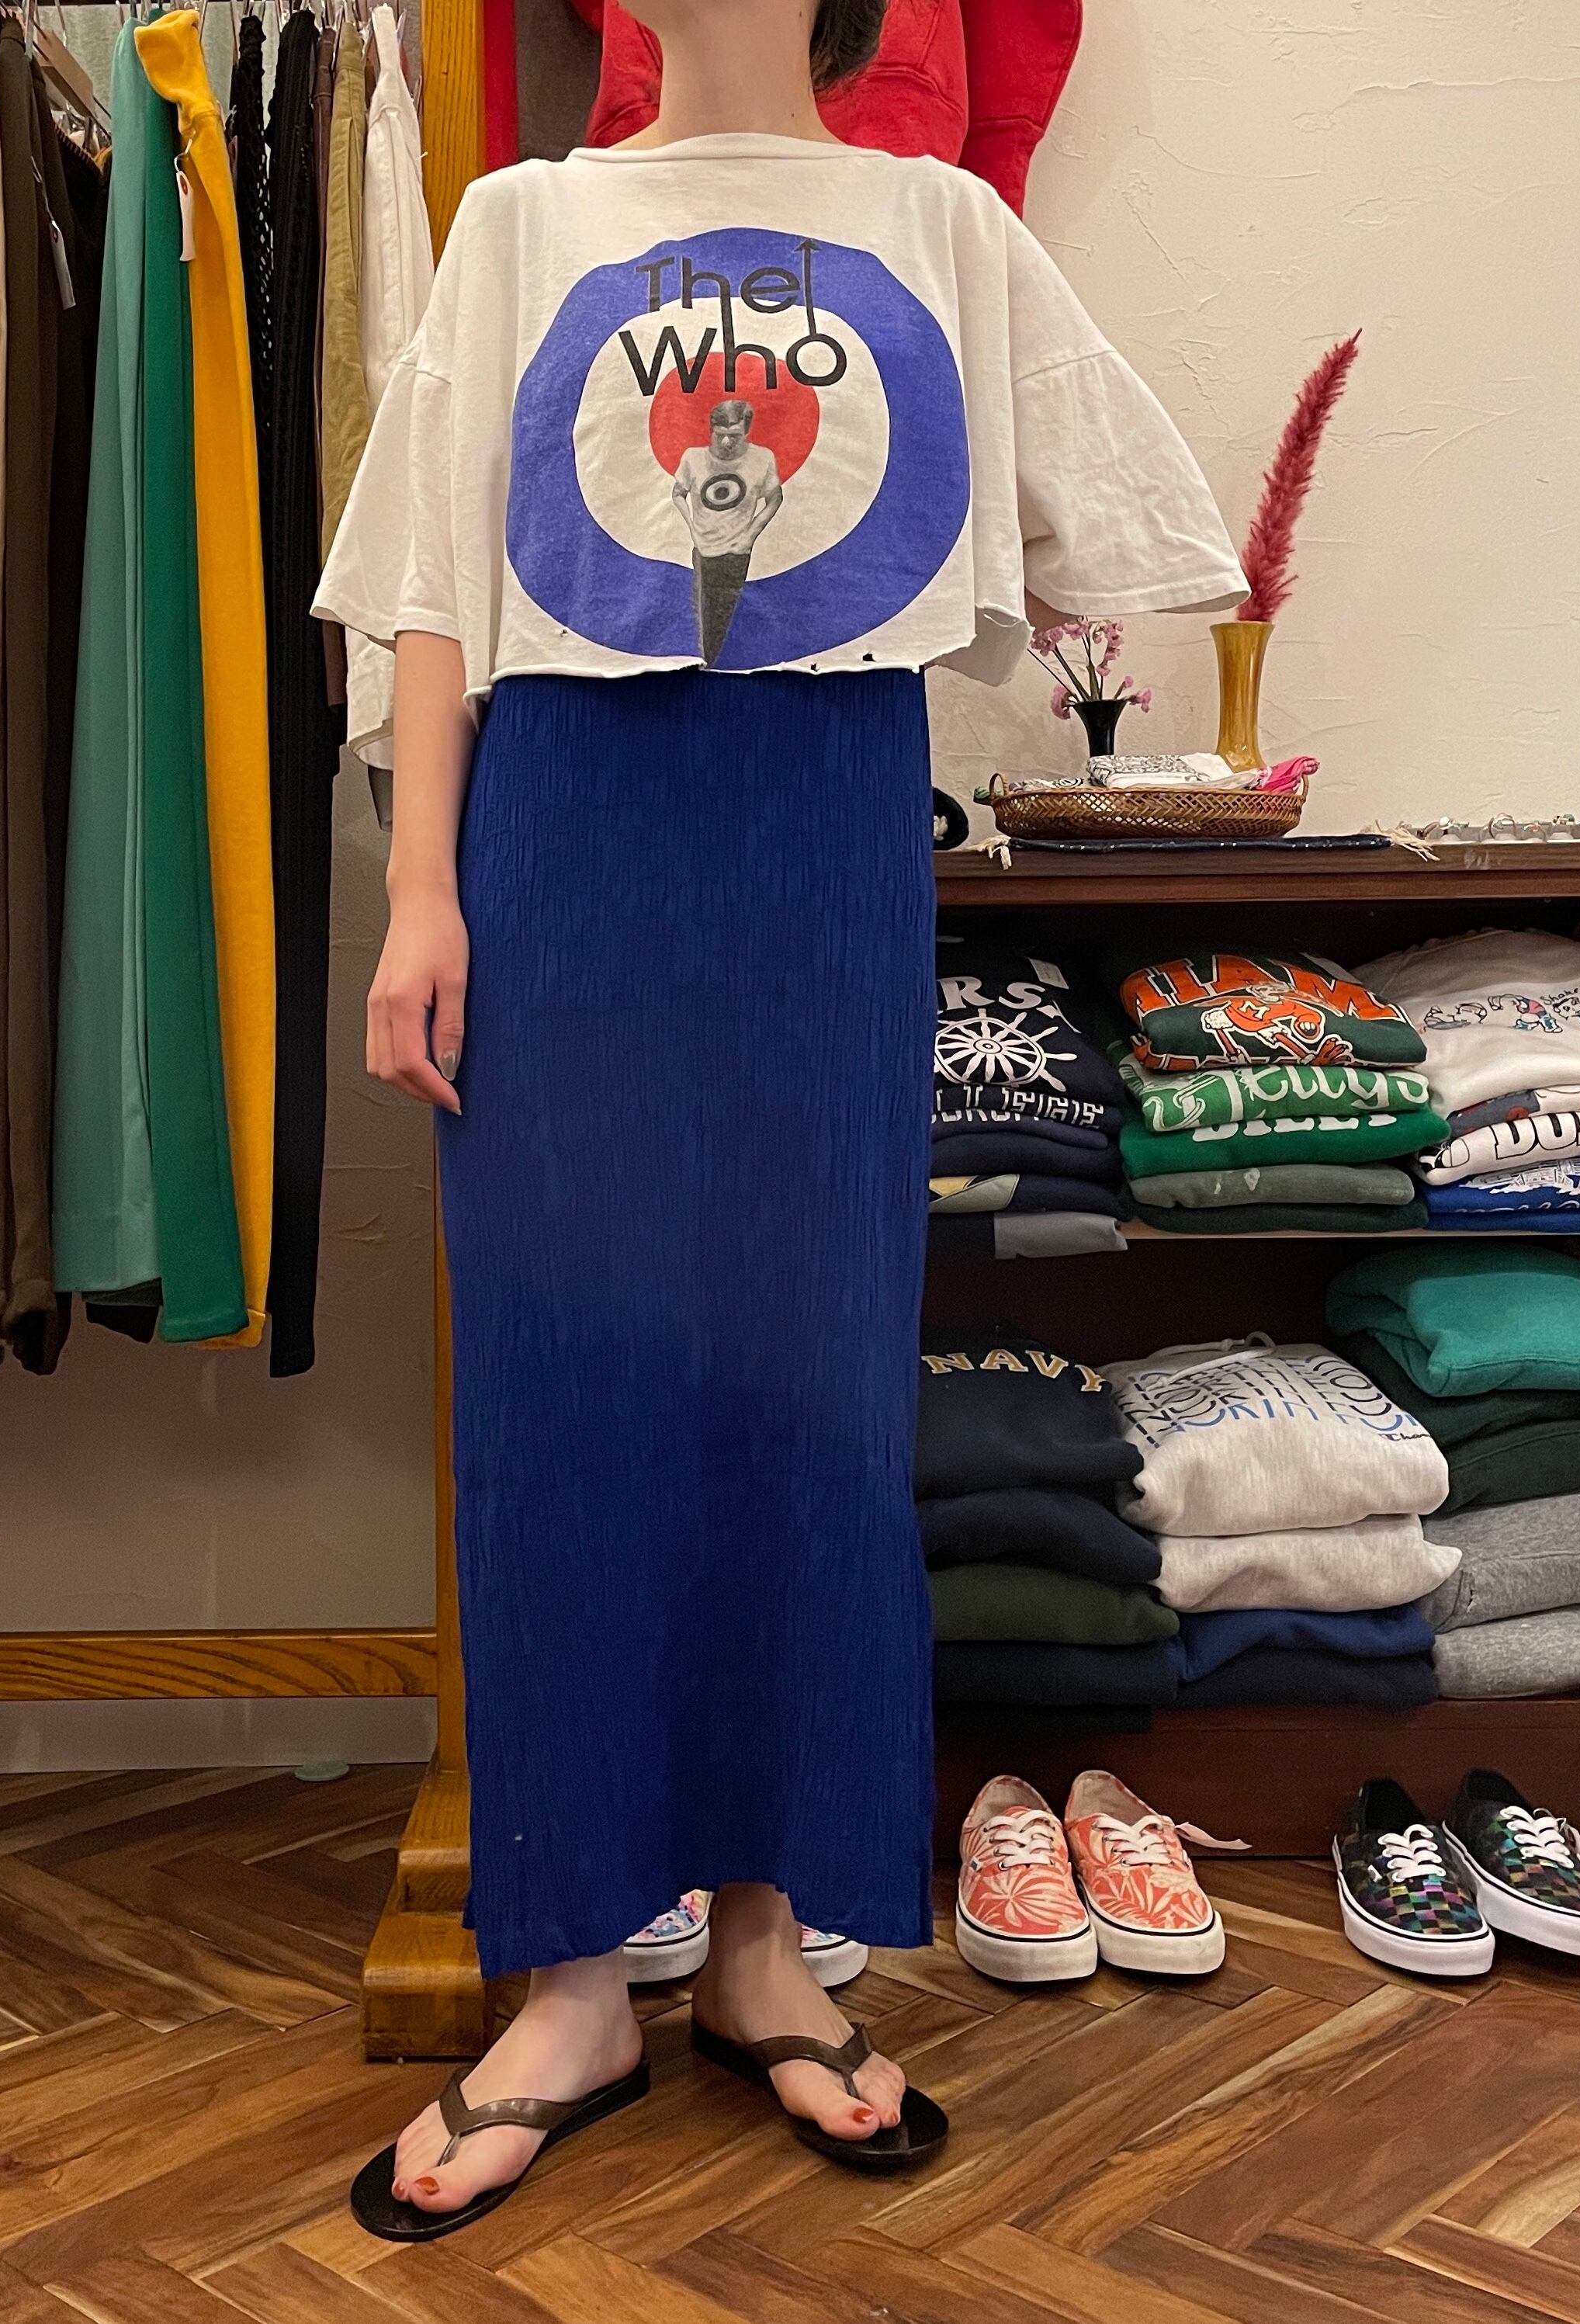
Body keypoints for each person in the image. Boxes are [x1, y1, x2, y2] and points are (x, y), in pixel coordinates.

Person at [315, 0, 1245, 2242]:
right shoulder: (519, 221)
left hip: (823, 834)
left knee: (807, 1394)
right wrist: (422, 892)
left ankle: (760, 1942)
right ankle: (568, 1976)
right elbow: (436, 583)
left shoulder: (937, 224)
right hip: (563, 831)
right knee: (556, 1389)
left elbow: (1105, 540)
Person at [671, 397, 784, 662]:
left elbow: (775, 498)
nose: (725, 442)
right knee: (702, 618)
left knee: (731, 619)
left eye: (734, 436)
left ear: (746, 432)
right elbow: (677, 494)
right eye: (719, 434)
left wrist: (750, 536)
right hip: (702, 551)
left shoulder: (762, 458)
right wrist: (691, 528)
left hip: (738, 554)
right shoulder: (693, 458)